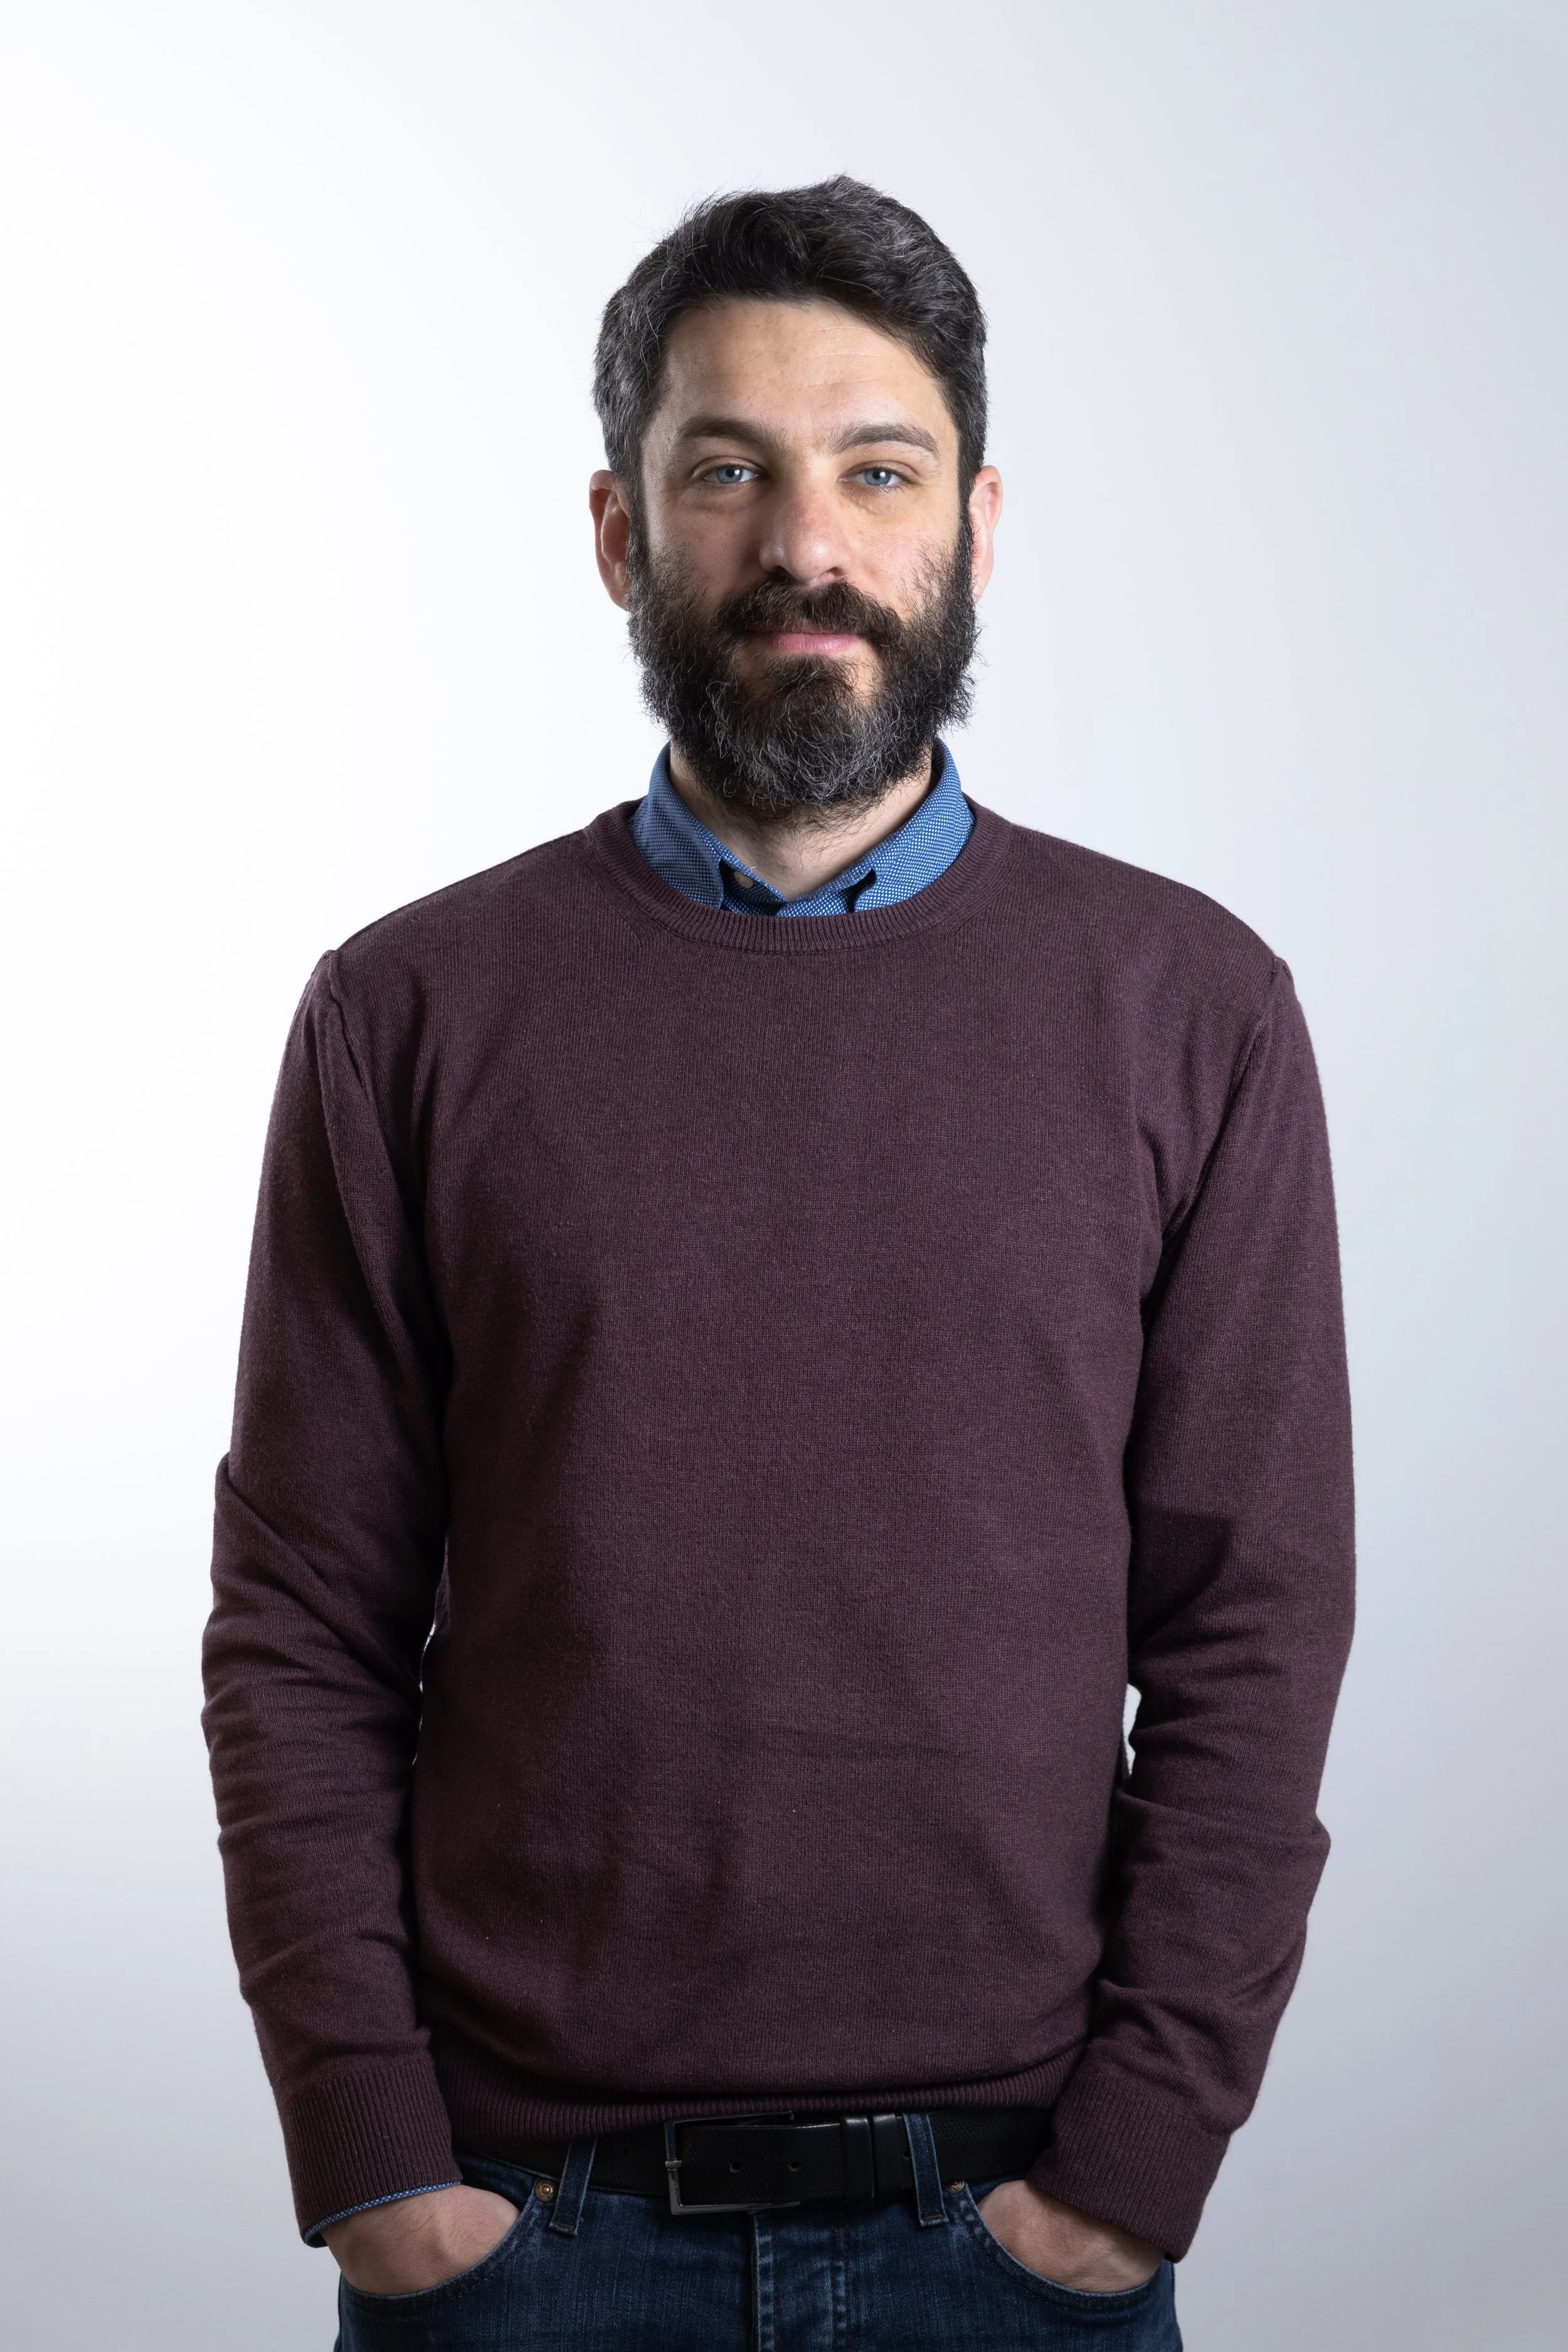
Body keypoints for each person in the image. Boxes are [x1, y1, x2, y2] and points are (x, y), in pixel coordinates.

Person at [203, 177, 1354, 2351]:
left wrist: (1133, 2167)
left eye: (877, 471)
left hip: (1010, 2226)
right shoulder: (411, 1012)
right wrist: (370, 2152)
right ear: (623, 533)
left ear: (976, 527)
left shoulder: (1190, 1005)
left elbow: (1255, 1625)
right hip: (519, 2237)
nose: (808, 543)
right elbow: (299, 1623)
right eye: (727, 470)